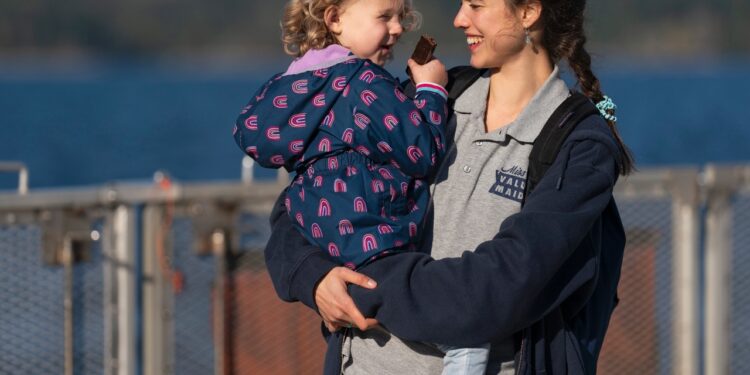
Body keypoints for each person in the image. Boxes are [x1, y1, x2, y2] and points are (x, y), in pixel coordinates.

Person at [264, 0, 635, 373]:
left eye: (475, 5)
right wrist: (314, 276)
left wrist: (359, 287)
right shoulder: (427, 98)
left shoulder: (581, 146)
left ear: (529, 12)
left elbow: (487, 294)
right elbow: (301, 205)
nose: (459, 20)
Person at [233, 0, 494, 373]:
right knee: (457, 328)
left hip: (327, 239)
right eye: (384, 17)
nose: (399, 28)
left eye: (400, 17)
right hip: (373, 233)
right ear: (335, 18)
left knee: (373, 308)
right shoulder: (361, 81)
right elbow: (422, 149)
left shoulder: (292, 85)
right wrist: (431, 90)